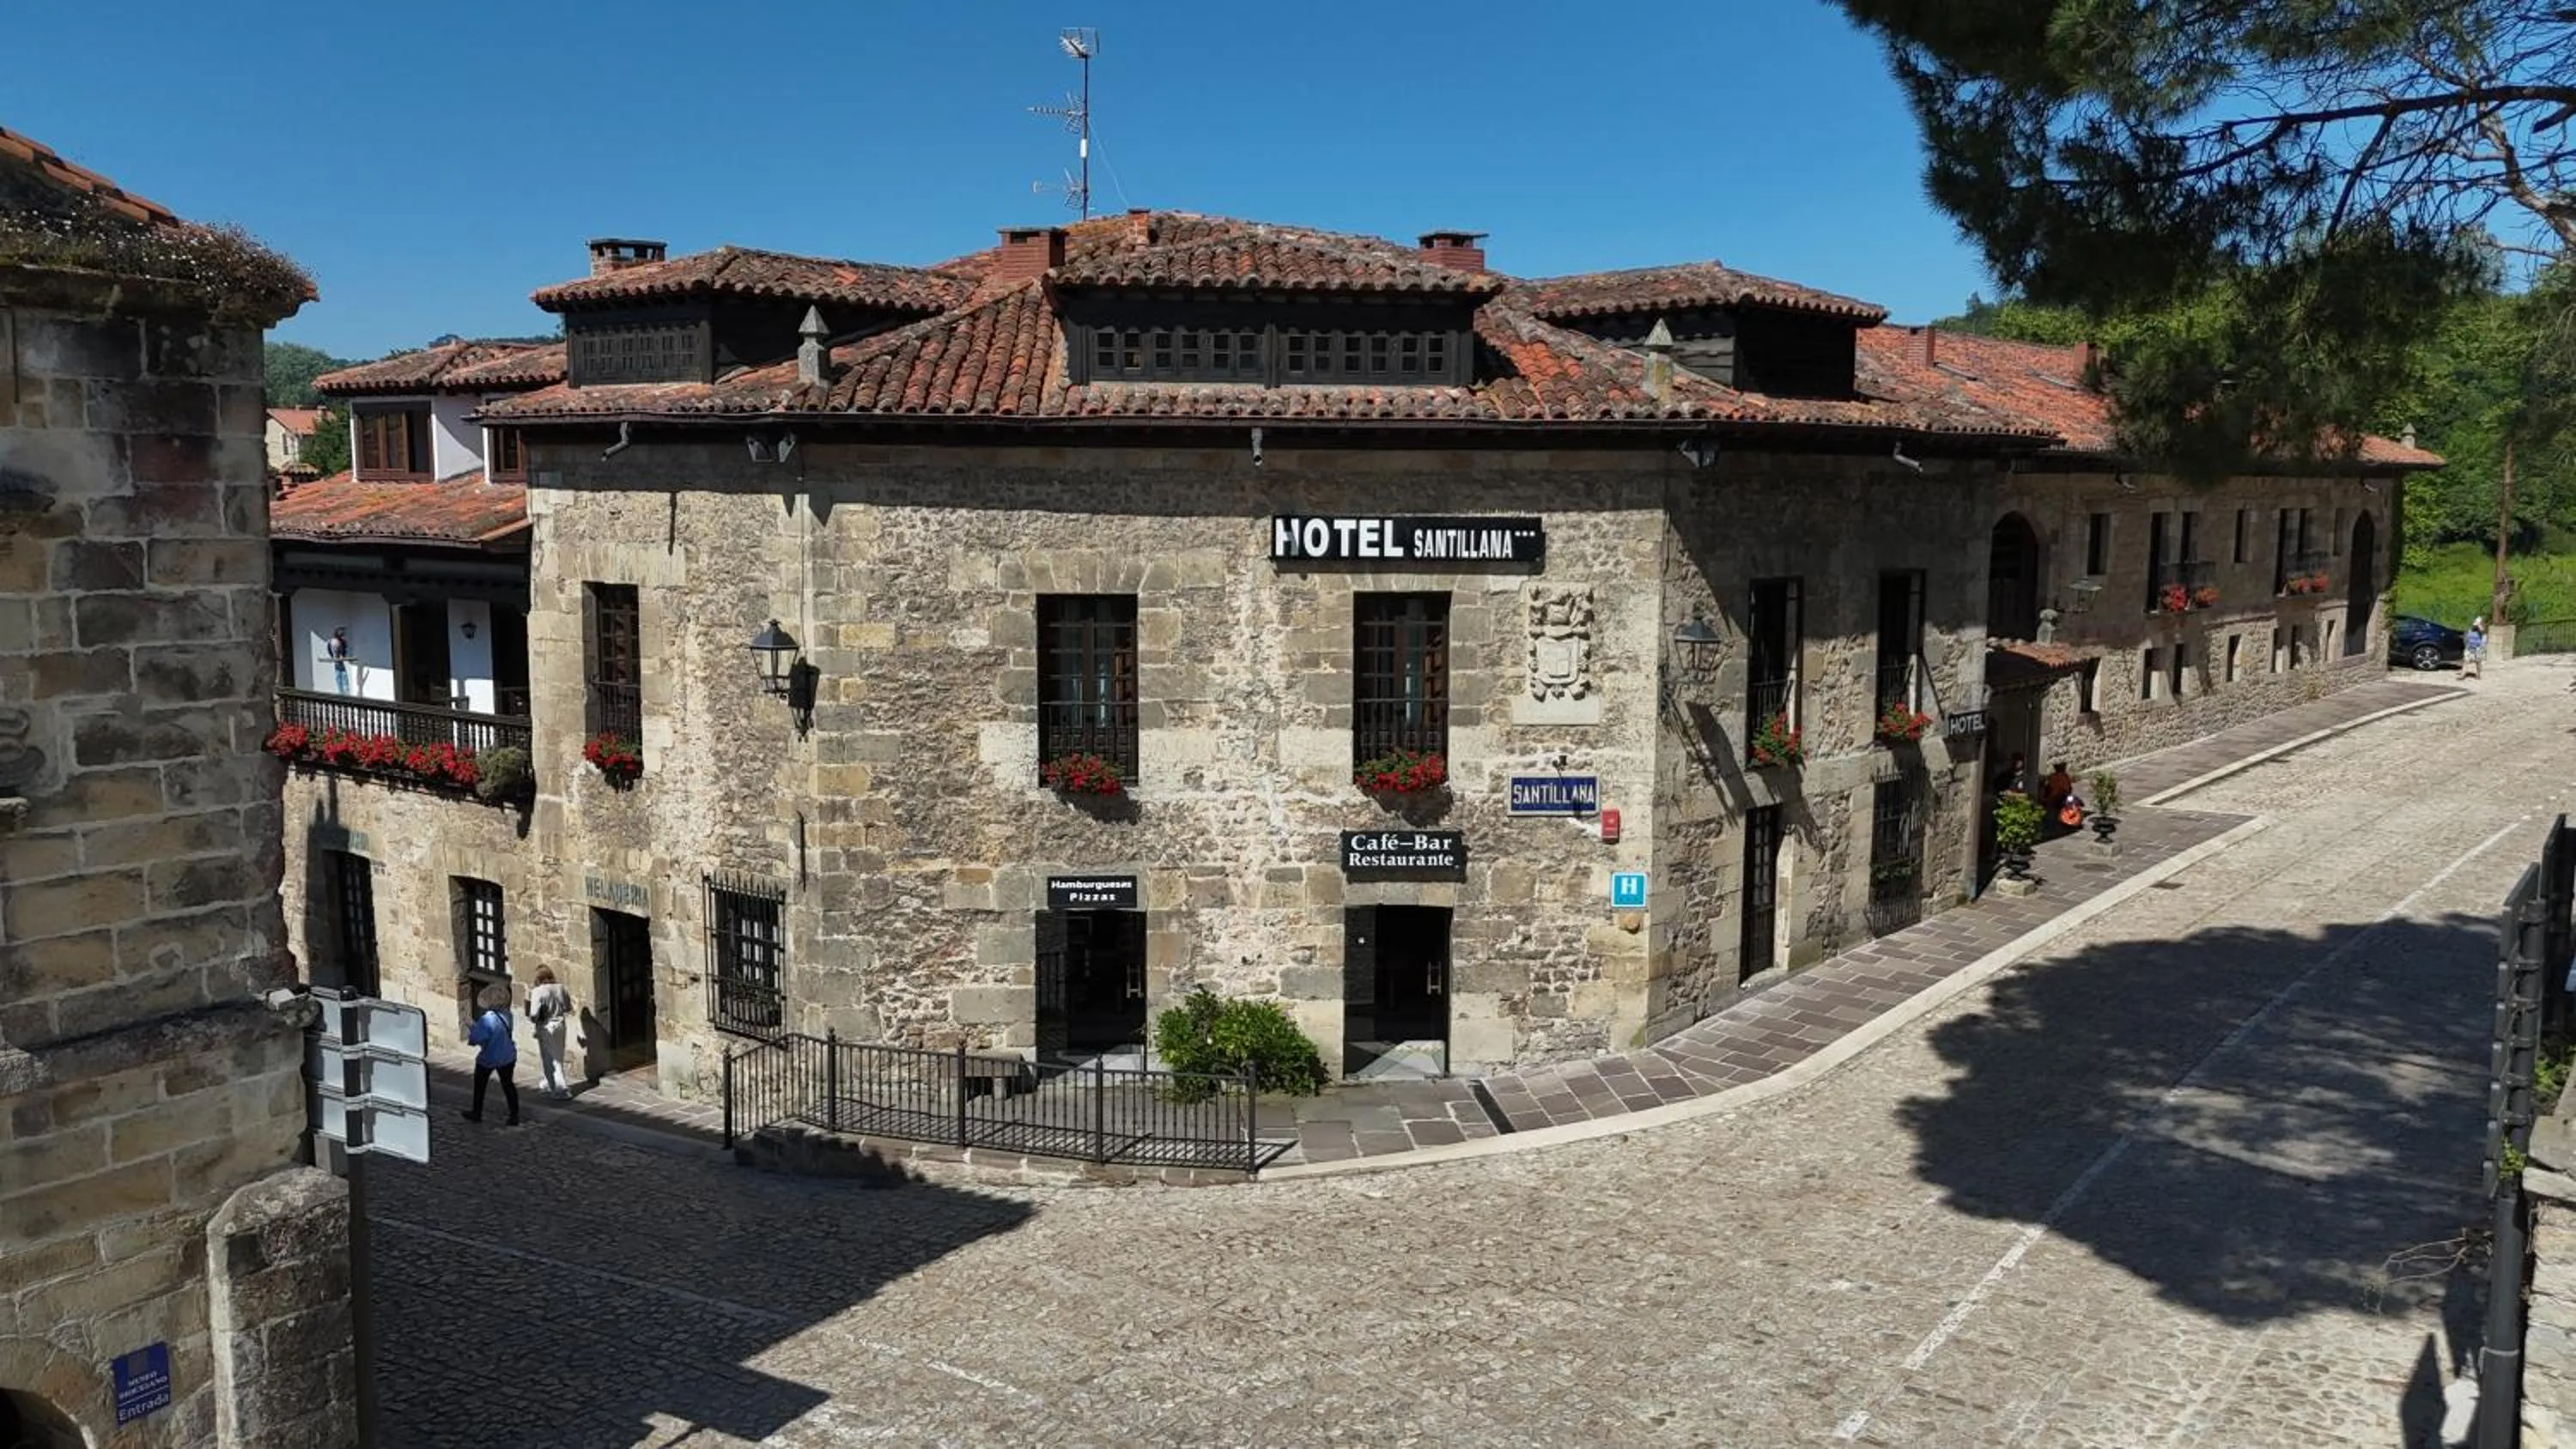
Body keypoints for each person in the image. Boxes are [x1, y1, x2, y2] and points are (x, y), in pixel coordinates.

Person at [463, 983, 520, 1125]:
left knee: (480, 1085)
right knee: (508, 1085)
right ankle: (514, 1115)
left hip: (489, 1057)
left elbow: (477, 1039)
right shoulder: (508, 1015)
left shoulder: (487, 1019)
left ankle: (477, 1112)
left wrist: (471, 1026)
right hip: (508, 1055)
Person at [526, 968, 576, 1100]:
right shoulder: (560, 988)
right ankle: (549, 1082)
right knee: (558, 1055)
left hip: (546, 1027)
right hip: (560, 1024)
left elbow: (533, 1014)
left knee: (549, 1058)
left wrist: (533, 1018)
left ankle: (561, 1089)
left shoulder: (538, 991)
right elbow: (568, 1007)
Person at [326, 627, 352, 694]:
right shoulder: (332, 641)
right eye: (342, 634)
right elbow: (330, 650)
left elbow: (344, 650)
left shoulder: (342, 641)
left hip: (339, 661)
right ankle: (342, 693)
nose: (343, 635)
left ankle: (345, 693)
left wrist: (342, 656)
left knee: (342, 676)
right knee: (340, 676)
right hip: (337, 660)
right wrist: (334, 657)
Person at [2465, 616, 2487, 680]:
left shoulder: (2481, 630)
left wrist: (2478, 625)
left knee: (2478, 662)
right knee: (2466, 661)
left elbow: (2482, 631)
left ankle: (2478, 675)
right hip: (2470, 647)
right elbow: (2467, 637)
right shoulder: (2471, 629)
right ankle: (2463, 674)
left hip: (2478, 648)